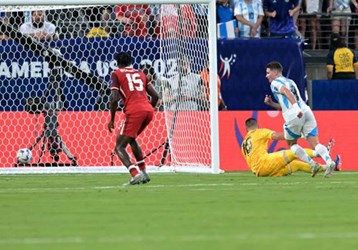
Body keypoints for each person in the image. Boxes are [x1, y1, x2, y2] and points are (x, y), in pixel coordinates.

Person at [264, 61, 336, 177]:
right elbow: (286, 103)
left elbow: (285, 92)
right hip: (306, 111)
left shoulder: (275, 83)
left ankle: (313, 164)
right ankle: (329, 161)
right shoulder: (291, 81)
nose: (266, 76)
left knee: (292, 144)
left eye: (268, 73)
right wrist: (271, 103)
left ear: (275, 72)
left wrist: (296, 109)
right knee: (315, 143)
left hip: (295, 114)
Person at [108, 52, 159, 185]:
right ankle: (143, 172)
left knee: (119, 146)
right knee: (131, 139)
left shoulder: (116, 74)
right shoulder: (141, 73)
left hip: (134, 112)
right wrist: (149, 110)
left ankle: (135, 174)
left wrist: (112, 119)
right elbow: (156, 96)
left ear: (117, 63)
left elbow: (113, 99)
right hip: (148, 111)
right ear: (130, 62)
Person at [241, 118, 340, 177]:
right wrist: (295, 135)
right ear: (257, 125)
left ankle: (329, 166)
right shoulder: (259, 132)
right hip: (266, 163)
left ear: (246, 128)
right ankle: (320, 152)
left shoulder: (244, 142)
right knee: (294, 151)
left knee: (297, 165)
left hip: (259, 172)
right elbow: (275, 136)